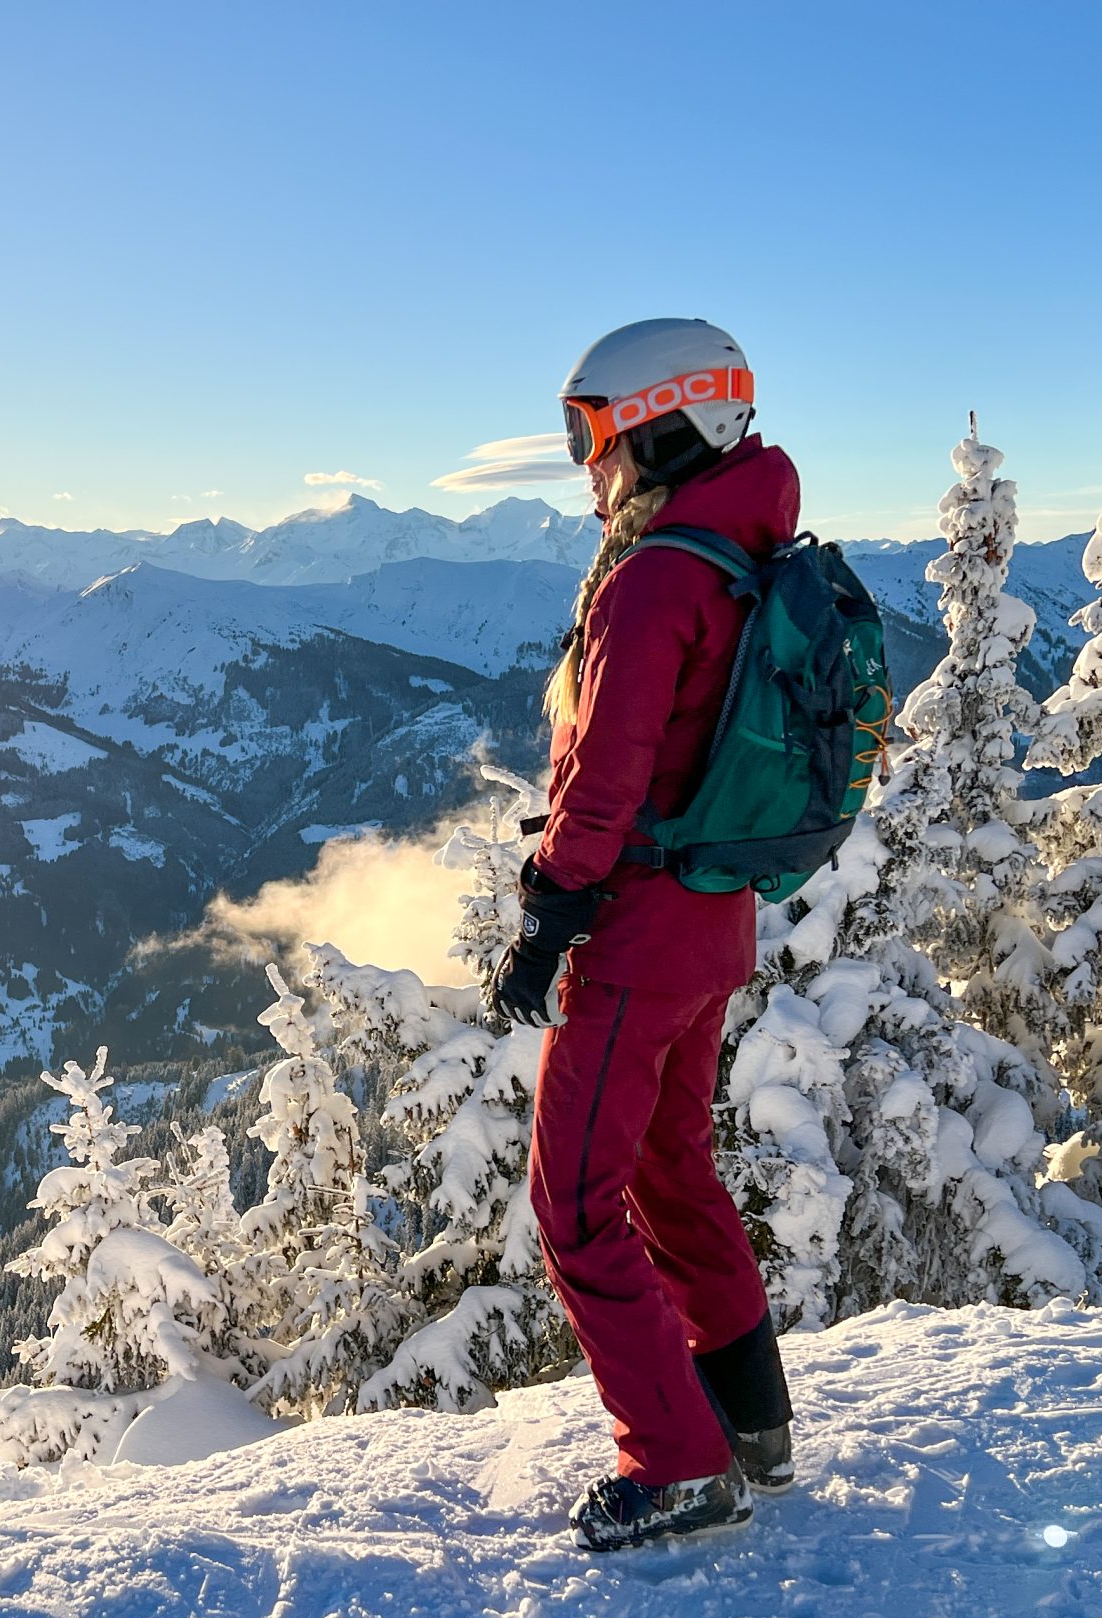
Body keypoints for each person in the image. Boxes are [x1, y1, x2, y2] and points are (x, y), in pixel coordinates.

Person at [484, 318, 798, 1553]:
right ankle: (750, 1426)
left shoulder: (660, 571)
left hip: (637, 932)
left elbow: (606, 779)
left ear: (666, 420)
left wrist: (546, 913)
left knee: (571, 1202)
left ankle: (676, 1463)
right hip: (711, 921)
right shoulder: (739, 547)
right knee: (669, 1170)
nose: (585, 465)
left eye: (592, 433)